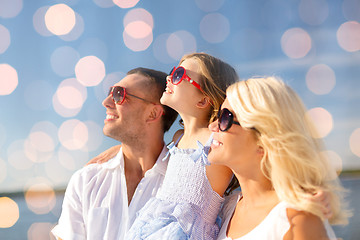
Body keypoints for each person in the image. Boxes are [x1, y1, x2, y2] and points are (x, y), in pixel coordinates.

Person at [207, 77, 351, 240]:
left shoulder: (297, 218)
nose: (212, 126)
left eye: (225, 117)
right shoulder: (227, 208)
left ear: (263, 140)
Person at [51, 67, 178, 240]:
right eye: (111, 92)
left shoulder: (181, 183)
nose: (106, 102)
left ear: (153, 113)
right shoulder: (86, 180)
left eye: (119, 94)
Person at [123, 52, 239, 239]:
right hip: (153, 228)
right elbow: (145, 148)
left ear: (202, 100)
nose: (169, 77)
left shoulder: (216, 140)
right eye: (172, 72)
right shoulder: (177, 138)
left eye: (178, 74)